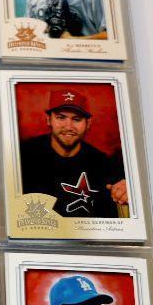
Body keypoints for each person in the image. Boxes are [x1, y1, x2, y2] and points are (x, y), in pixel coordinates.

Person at [19, 88, 128, 218]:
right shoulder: (21, 156)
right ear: (49, 119)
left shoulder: (104, 164)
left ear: (88, 123)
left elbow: (127, 193)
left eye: (77, 119)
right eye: (61, 117)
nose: (69, 126)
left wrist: (129, 190)